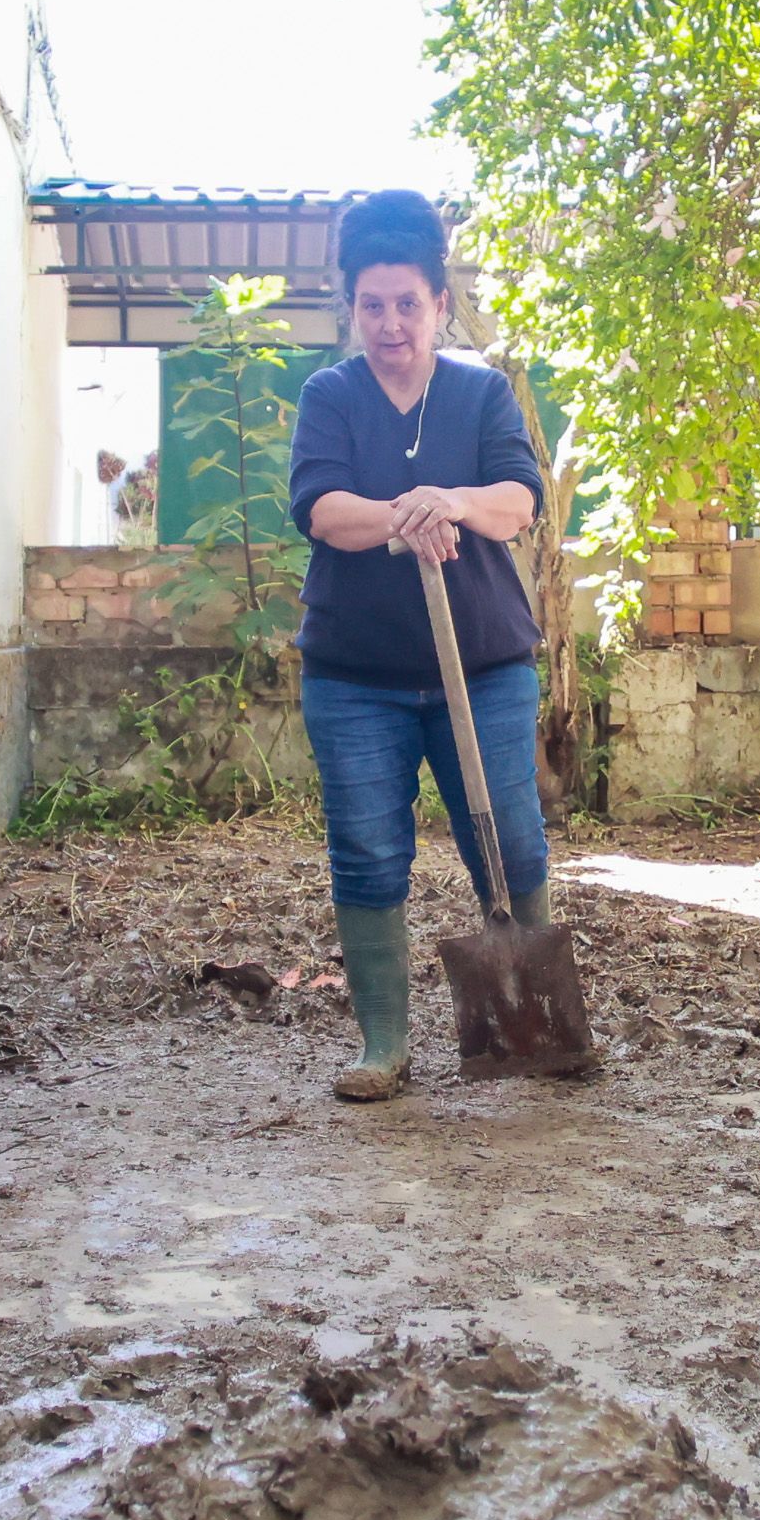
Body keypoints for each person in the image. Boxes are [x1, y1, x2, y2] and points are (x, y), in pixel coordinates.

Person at [286, 191, 552, 1102]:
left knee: (509, 843)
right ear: (351, 308)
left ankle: (531, 1018)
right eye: (372, 305)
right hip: (356, 678)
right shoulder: (331, 397)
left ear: (440, 304)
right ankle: (384, 1045)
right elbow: (322, 510)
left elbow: (518, 500)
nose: (391, 323)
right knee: (366, 850)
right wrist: (404, 518)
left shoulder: (479, 393)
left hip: (483, 671)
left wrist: (452, 499)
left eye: (408, 303)